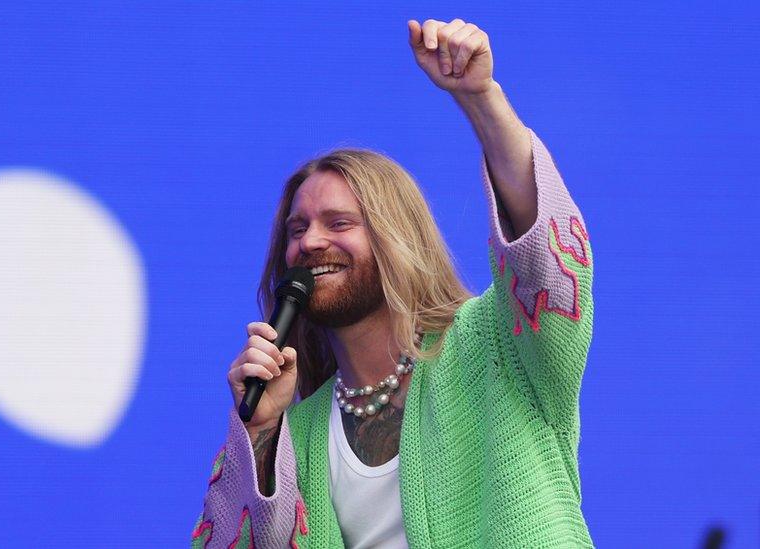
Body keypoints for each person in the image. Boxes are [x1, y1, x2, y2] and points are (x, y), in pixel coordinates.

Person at [192, 17, 595, 548]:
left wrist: (481, 100)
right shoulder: (299, 428)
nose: (310, 242)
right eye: (296, 228)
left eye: (338, 223)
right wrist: (261, 435)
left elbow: (546, 261)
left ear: (396, 238)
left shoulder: (496, 346)